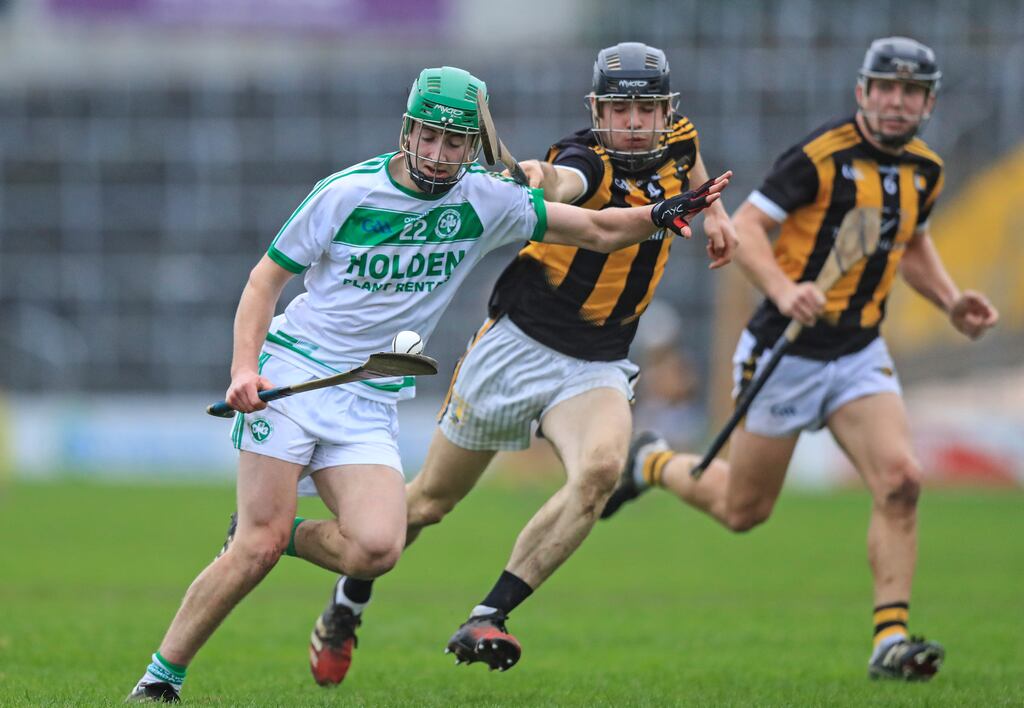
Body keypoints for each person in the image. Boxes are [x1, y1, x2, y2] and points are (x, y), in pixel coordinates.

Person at [126, 64, 731, 702]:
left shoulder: (484, 200)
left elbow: (599, 229)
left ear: (472, 145)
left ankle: (288, 545)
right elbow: (263, 282)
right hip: (296, 372)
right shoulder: (346, 192)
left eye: (455, 142)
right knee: (258, 542)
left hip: (369, 394)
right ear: (407, 131)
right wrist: (244, 368)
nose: (440, 155)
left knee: (378, 549)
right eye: (429, 137)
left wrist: (659, 214)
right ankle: (160, 678)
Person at [600, 37, 999, 682]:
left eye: (912, 92)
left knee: (901, 481)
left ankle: (889, 639)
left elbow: (911, 241)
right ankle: (650, 460)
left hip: (859, 349)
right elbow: (750, 228)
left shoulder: (926, 168)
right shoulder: (820, 156)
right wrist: (786, 291)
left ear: (928, 102)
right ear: (863, 93)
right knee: (743, 511)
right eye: (885, 88)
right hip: (784, 352)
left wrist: (951, 302)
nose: (897, 102)